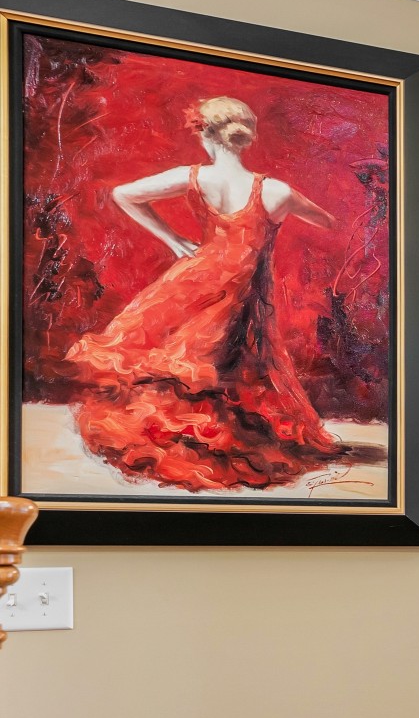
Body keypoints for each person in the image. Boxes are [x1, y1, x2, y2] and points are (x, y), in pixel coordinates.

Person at [65, 95, 347, 491]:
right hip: (241, 284)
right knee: (219, 356)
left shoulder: (194, 177)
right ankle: (212, 438)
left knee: (192, 357)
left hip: (200, 277)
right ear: (244, 137)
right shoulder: (277, 191)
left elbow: (124, 194)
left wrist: (173, 238)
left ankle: (192, 436)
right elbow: (329, 222)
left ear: (206, 135)